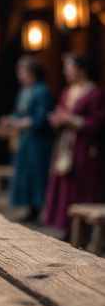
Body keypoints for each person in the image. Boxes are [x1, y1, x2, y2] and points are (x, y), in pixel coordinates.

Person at [44, 53, 105, 234]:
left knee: (81, 183)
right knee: (63, 184)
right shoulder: (66, 92)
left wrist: (71, 120)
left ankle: (84, 229)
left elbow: (98, 122)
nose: (65, 72)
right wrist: (57, 120)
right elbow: (62, 112)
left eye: (69, 67)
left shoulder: (94, 93)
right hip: (65, 144)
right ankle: (66, 226)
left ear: (82, 69)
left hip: (83, 146)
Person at [0, 57, 53, 221]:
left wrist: (25, 122)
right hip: (25, 138)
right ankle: (29, 206)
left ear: (32, 72)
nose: (19, 75)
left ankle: (39, 207)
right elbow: (19, 112)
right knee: (24, 171)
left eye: (22, 71)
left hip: (38, 139)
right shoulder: (24, 91)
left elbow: (42, 116)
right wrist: (12, 119)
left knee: (36, 171)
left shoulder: (41, 90)